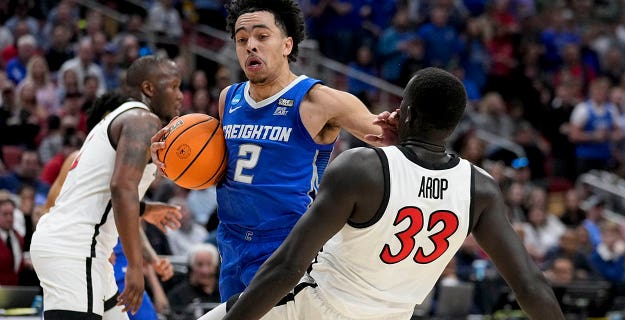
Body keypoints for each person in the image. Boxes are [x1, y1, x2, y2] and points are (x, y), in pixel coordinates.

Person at [199, 68, 564, 320]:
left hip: (315, 307)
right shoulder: (481, 187)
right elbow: (530, 285)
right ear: (454, 125)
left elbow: (287, 266)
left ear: (404, 110)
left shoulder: (362, 167)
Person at [150, 0, 398, 301]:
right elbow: (212, 165)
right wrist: (170, 158)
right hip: (231, 241)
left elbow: (383, 134)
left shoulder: (319, 100)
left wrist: (396, 125)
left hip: (287, 245)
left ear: (287, 44)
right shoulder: (229, 98)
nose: (250, 46)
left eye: (262, 36)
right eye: (242, 40)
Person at [30, 55, 184, 319]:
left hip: (86, 251)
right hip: (75, 249)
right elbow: (121, 188)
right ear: (148, 88)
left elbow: (98, 191)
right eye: (173, 86)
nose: (180, 96)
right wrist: (136, 266)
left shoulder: (119, 119)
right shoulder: (143, 120)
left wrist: (144, 208)